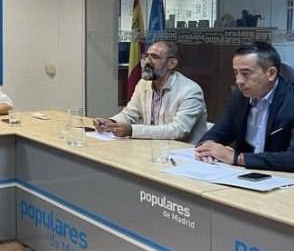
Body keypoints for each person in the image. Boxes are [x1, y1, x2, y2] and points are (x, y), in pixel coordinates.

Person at [195, 41, 294, 172]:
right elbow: (217, 133)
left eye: (246, 73)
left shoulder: (290, 99)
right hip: (243, 174)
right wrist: (208, 147)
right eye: (236, 73)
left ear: (271, 73)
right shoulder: (241, 96)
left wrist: (237, 158)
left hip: (280, 177)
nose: (239, 81)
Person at [94, 41, 207, 143]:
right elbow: (130, 114)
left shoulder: (190, 90)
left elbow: (178, 130)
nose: (147, 61)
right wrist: (110, 123)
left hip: (183, 153)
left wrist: (132, 130)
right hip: (152, 148)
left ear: (171, 63)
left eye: (154, 57)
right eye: (146, 56)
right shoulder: (143, 84)